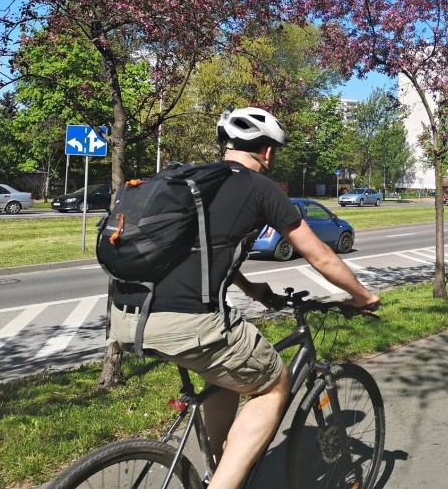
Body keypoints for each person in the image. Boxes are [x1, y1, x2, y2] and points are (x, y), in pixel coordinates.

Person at [109, 107, 380, 489]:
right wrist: (362, 295)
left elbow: (204, 250)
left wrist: (252, 290)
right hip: (189, 322)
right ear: (267, 152)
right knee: (274, 384)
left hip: (127, 314)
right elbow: (318, 253)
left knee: (228, 377)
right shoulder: (259, 187)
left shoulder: (196, 180)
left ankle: (219, 472)